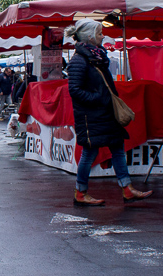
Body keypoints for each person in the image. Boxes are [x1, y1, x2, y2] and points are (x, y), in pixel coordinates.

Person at [65, 20, 151, 205]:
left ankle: (127, 189)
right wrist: (98, 98)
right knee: (89, 152)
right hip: (91, 117)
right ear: (89, 37)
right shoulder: (80, 61)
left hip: (103, 113)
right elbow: (74, 90)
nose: (103, 36)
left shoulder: (95, 57)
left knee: (117, 148)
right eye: (99, 33)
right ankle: (80, 193)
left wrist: (102, 99)